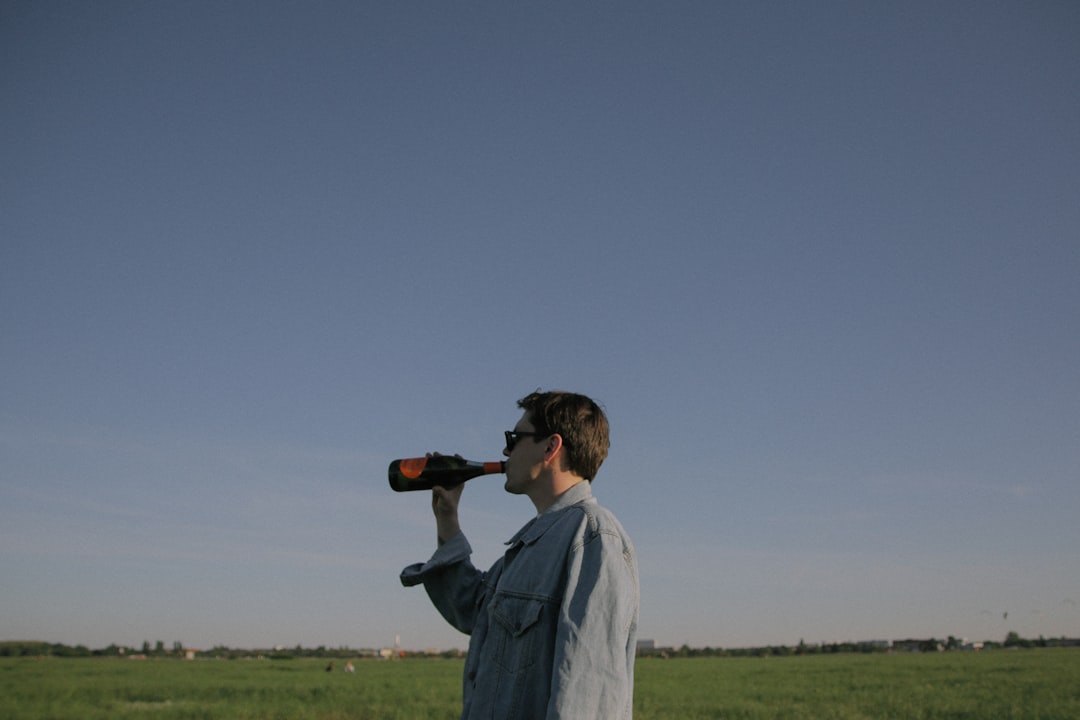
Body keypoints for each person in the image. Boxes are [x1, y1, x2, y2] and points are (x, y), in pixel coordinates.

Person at [401, 390, 638, 719]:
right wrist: (447, 519)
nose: (505, 449)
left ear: (550, 447)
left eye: (514, 438)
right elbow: (472, 609)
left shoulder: (591, 536)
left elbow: (588, 694)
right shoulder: (530, 543)